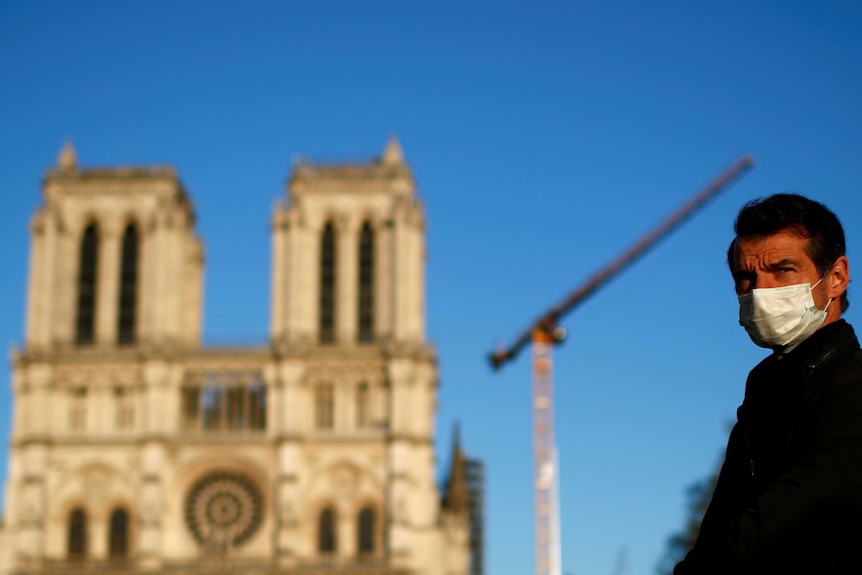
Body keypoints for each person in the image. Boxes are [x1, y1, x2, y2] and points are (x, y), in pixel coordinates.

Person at [674, 193, 862, 574]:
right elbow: (721, 523)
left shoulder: (852, 383)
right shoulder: (765, 392)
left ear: (836, 278)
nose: (761, 291)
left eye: (783, 269)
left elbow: (802, 510)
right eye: (746, 277)